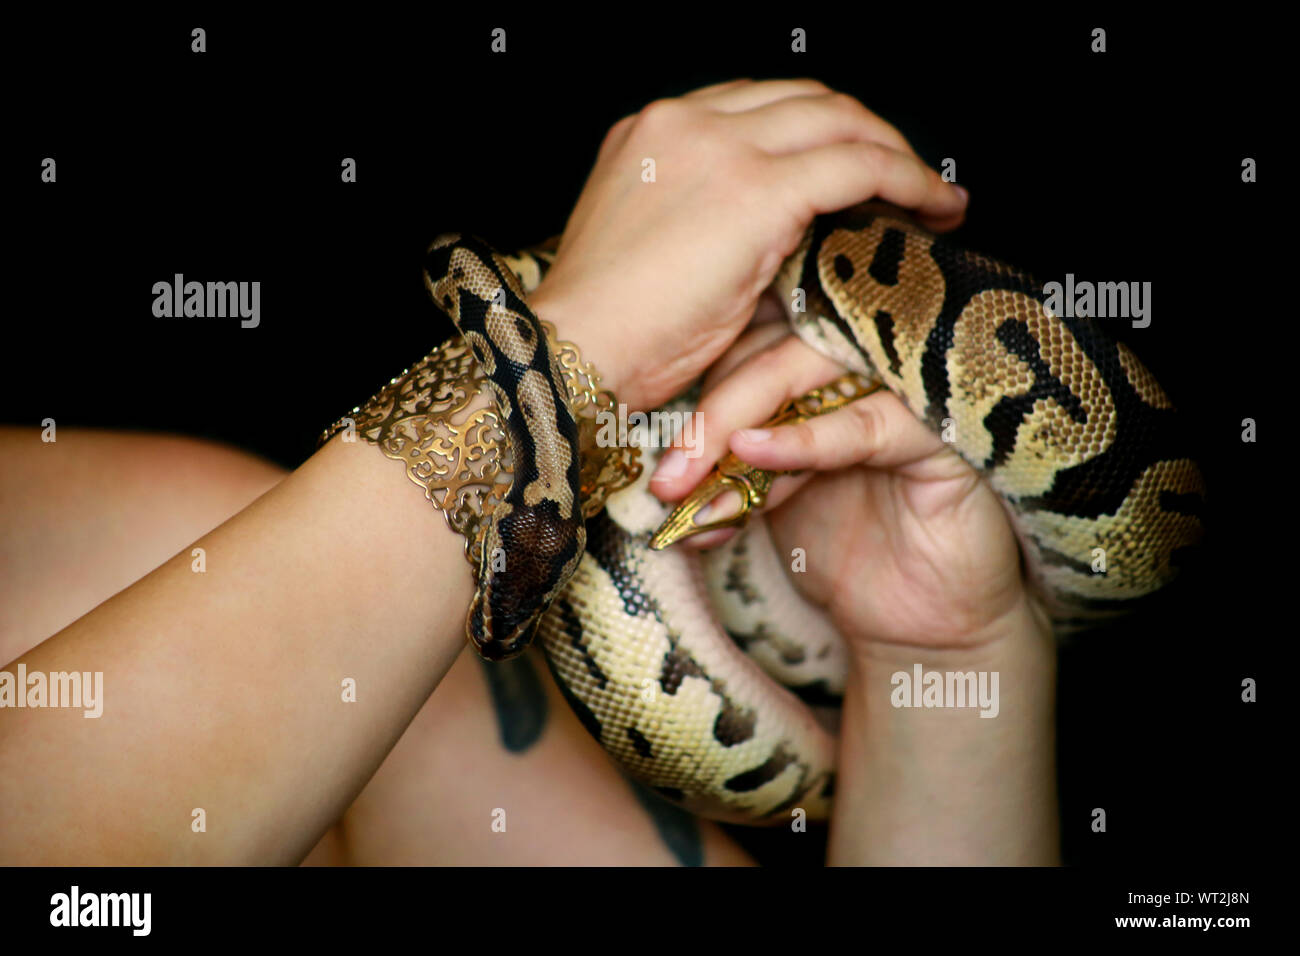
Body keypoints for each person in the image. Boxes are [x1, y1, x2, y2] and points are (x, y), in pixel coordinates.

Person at [0, 79, 1057, 865]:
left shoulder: (193, 541)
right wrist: (582, 343)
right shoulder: (258, 580)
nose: (485, 631)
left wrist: (944, 654)